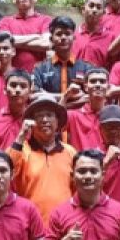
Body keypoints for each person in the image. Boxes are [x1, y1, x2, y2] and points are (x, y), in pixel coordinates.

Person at [9, 95, 77, 223]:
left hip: (65, 225)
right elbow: (6, 173)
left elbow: (77, 191)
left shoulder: (70, 152)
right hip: (31, 224)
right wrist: (20, 137)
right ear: (31, 122)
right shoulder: (21, 149)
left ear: (57, 122)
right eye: (39, 116)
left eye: (49, 115)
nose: (45, 120)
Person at [0, 0, 54, 72]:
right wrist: (36, 37)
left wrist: (14, 42)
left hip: (39, 77)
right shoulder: (5, 21)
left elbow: (47, 44)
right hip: (12, 78)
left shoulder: (46, 20)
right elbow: (4, 43)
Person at [32, 16, 92, 97]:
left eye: (67, 34)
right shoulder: (40, 69)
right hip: (50, 110)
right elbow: (34, 95)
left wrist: (48, 95)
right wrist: (69, 96)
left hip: (78, 110)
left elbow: (91, 96)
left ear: (74, 38)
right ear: (51, 39)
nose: (63, 37)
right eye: (59, 34)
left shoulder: (86, 68)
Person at [0, 68, 32, 150]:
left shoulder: (34, 120)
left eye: (23, 86)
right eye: (13, 85)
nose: (17, 90)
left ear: (30, 92)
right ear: (5, 90)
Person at [66, 67, 110, 151]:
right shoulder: (73, 116)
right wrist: (66, 96)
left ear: (108, 86)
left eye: (102, 81)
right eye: (93, 81)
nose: (97, 84)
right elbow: (55, 123)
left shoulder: (113, 116)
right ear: (86, 87)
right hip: (82, 163)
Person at [71, 0, 114, 68]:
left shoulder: (110, 37)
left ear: (103, 13)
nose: (94, 10)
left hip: (99, 79)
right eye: (91, 6)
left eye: (98, 7)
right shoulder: (73, 35)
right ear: (83, 10)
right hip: (75, 78)